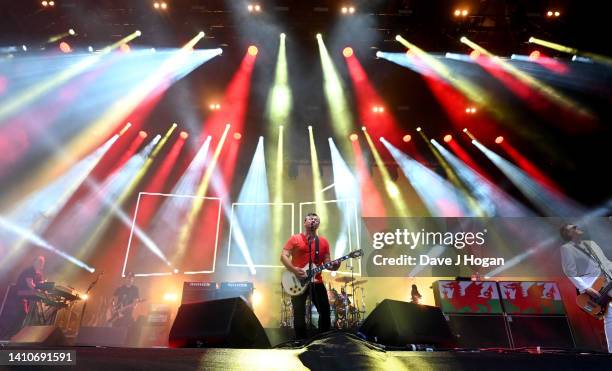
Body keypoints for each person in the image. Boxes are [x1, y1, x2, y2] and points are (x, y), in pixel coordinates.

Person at [280, 213, 339, 339]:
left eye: (316, 219)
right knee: (299, 314)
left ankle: (321, 341)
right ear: (305, 222)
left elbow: (327, 262)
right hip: (297, 280)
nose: (313, 220)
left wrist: (334, 266)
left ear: (318, 224)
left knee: (325, 312)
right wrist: (294, 269)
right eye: (311, 219)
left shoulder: (323, 242)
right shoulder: (295, 239)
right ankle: (300, 342)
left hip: (316, 282)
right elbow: (283, 256)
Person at [560, 223, 612, 353]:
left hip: (607, 279)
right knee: (609, 314)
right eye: (573, 227)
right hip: (594, 285)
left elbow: (605, 262)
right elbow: (569, 272)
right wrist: (586, 288)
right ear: (568, 234)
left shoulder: (591, 243)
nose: (577, 227)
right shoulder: (566, 248)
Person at [0, 256, 45, 338]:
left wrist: (42, 286)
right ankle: (8, 337)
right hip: (19, 296)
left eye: (42, 262)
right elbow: (30, 285)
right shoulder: (30, 270)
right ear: (34, 262)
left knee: (24, 316)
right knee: (20, 316)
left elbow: (39, 285)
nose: (41, 264)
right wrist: (38, 289)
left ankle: (10, 337)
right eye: (39, 261)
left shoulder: (37, 273)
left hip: (25, 297)